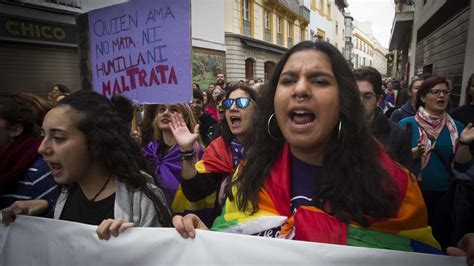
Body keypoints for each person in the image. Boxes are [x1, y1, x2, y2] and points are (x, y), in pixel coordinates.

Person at [173, 41, 474, 261]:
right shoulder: (248, 175)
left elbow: (414, 253)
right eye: (288, 80)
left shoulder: (394, 186)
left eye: (318, 81)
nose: (300, 90)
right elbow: (232, 245)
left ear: (343, 101)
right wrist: (206, 239)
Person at [2, 91, 172, 240]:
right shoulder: (63, 194)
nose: (42, 148)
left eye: (59, 138)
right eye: (43, 135)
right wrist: (42, 212)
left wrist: (133, 244)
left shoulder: (141, 201)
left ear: (96, 142)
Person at [399, 76, 474, 250]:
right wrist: (415, 153)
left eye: (445, 92)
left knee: (440, 240)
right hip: (413, 194)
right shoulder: (405, 124)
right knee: (413, 240)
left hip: (445, 196)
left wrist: (463, 143)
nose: (442, 96)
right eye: (435, 92)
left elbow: (462, 167)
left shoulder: (458, 127)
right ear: (423, 97)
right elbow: (395, 160)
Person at [170, 84, 258, 226]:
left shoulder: (271, 150)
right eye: (228, 103)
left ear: (258, 110)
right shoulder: (219, 149)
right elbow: (194, 192)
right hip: (225, 234)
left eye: (241, 102)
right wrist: (186, 152)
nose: (233, 108)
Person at [0, 95, 57, 212]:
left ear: (14, 130)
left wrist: (46, 206)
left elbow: (58, 217)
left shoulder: (39, 168)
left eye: (59, 137)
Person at [141, 103, 204, 203]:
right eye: (161, 110)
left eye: (174, 110)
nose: (166, 113)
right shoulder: (148, 150)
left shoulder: (195, 150)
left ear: (186, 118)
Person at [353, 67, 411, 168]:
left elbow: (405, 178)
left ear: (379, 99)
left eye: (367, 96)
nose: (360, 102)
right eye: (354, 95)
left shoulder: (398, 134)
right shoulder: (337, 131)